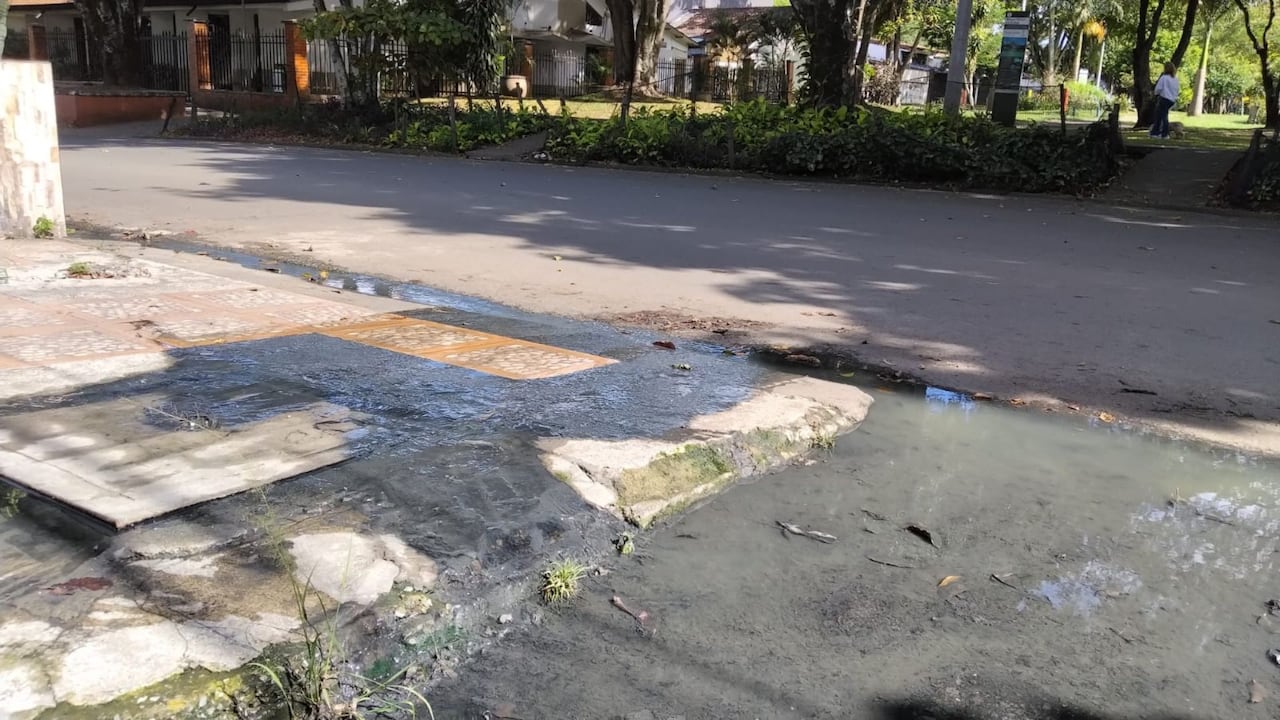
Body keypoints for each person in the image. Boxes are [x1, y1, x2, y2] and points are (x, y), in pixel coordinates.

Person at [1151, 63, 1180, 139]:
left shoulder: (1164, 78)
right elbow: (1177, 90)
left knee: (1162, 116)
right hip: (1171, 100)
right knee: (1161, 115)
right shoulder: (1175, 79)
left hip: (1164, 98)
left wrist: (1155, 93)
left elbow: (1158, 88)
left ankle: (1163, 134)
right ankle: (1156, 132)